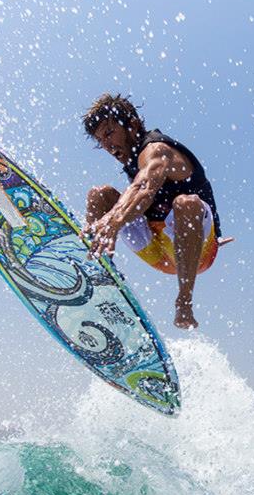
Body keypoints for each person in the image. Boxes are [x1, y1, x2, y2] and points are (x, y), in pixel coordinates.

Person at [82, 93, 230, 329]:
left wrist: (113, 219)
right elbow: (135, 194)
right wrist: (108, 219)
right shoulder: (133, 157)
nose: (107, 146)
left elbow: (144, 188)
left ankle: (184, 303)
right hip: (156, 249)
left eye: (110, 133)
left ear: (132, 124)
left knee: (186, 203)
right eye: (101, 141)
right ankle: (95, 276)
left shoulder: (157, 150)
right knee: (99, 194)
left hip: (195, 254)